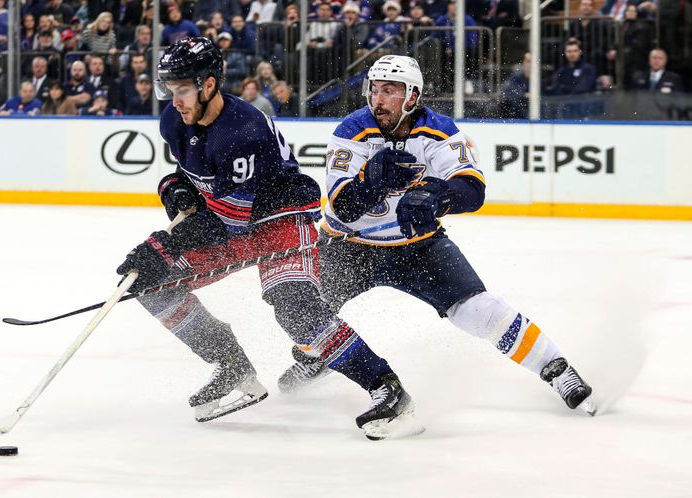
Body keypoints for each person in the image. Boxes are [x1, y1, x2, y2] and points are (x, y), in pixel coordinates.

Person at [115, 37, 419, 439]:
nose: (176, 100)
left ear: (209, 86)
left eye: (183, 90)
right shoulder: (175, 120)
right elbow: (193, 180)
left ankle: (387, 389)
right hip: (230, 220)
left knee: (296, 308)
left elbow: (228, 223)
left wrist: (162, 246)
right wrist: (174, 187)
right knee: (152, 287)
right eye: (170, 91)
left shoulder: (244, 130)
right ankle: (231, 366)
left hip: (279, 220)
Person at [278, 55, 596, 423]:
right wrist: (371, 182)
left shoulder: (439, 129)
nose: (377, 99)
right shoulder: (351, 130)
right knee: (302, 311)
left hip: (418, 246)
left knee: (481, 311)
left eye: (390, 91)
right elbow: (343, 206)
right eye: (374, 89)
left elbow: (472, 189)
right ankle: (315, 357)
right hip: (349, 246)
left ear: (412, 96)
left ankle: (555, 368)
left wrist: (440, 195)